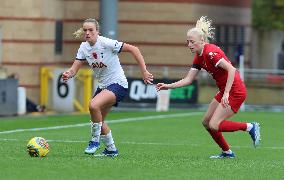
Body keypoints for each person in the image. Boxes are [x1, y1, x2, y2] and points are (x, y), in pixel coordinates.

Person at [156, 16, 260, 158]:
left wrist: (226, 93)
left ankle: (250, 127)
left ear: (202, 41)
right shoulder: (199, 56)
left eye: (192, 42)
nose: (189, 45)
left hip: (235, 91)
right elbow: (188, 79)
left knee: (214, 125)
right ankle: (227, 152)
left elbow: (231, 70)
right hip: (225, 91)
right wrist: (168, 86)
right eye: (187, 42)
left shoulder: (211, 53)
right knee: (206, 122)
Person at [62, 18, 153, 157]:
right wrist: (69, 73)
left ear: (97, 31)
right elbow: (74, 69)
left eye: (91, 30)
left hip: (118, 84)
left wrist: (144, 71)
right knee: (99, 120)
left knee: (93, 105)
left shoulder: (106, 43)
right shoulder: (83, 47)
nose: (87, 33)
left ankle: (94, 141)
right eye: (85, 30)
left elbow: (134, 49)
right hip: (104, 86)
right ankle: (111, 150)